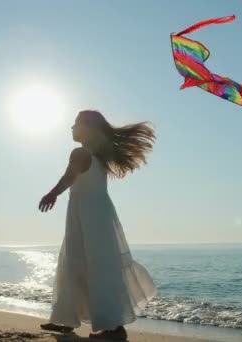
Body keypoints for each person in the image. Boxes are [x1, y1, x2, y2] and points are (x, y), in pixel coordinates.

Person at [38, 110, 158, 340]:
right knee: (80, 263)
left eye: (75, 124)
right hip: (95, 214)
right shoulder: (99, 155)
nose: (71, 128)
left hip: (89, 215)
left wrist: (52, 194)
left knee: (91, 265)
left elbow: (70, 176)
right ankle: (65, 320)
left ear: (86, 128)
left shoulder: (82, 153)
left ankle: (114, 329)